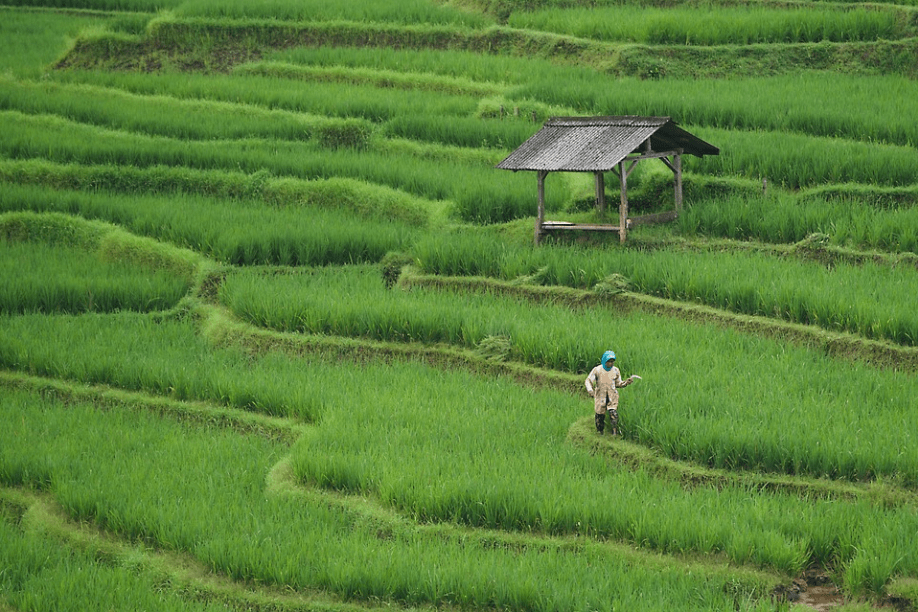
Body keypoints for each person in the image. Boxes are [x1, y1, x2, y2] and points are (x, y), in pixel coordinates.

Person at [585, 350, 634, 435]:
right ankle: (600, 433)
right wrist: (590, 390)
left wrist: (626, 382)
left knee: (613, 415)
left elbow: (618, 383)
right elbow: (588, 380)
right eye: (609, 361)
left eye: (612, 362)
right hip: (601, 396)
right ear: (604, 361)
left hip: (612, 396)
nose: (610, 363)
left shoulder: (615, 370)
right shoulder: (597, 370)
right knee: (600, 417)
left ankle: (614, 433)